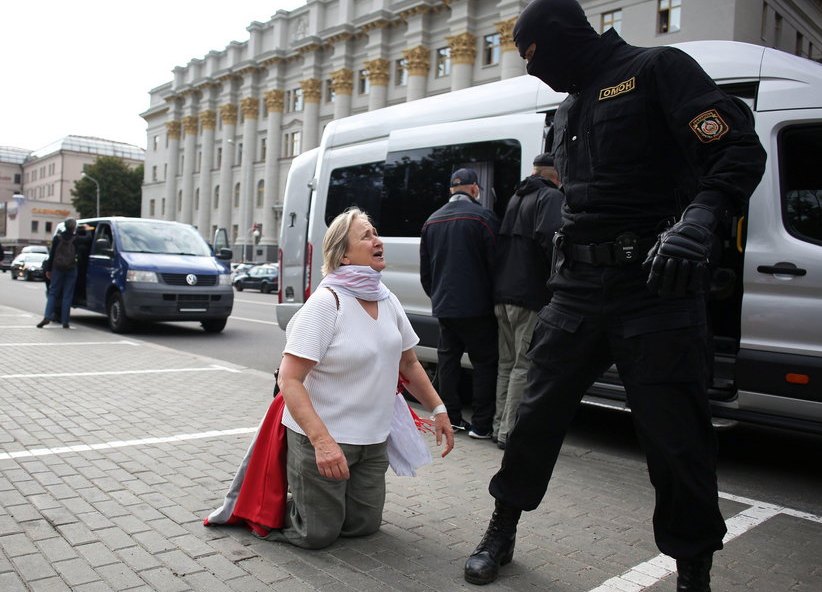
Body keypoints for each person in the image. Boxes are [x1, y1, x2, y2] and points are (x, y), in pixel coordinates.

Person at [463, 0, 766, 592]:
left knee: (678, 444)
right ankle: (502, 528)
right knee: (535, 419)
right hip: (578, 290)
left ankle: (693, 586)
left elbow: (737, 149)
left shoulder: (659, 70)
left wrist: (703, 219)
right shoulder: (568, 108)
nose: (529, 69)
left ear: (565, 37)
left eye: (531, 54)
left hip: (655, 290)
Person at [210, 208, 455, 549]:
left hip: (372, 439)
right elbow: (290, 380)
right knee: (318, 534)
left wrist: (439, 409)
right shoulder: (327, 304)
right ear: (342, 254)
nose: (377, 240)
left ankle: (319, 502)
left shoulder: (388, 300)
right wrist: (322, 443)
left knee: (363, 526)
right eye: (366, 235)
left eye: (375, 232)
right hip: (323, 439)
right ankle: (271, 504)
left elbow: (409, 363)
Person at [420, 168, 500, 439]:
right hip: (478, 307)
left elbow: (426, 273)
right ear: (475, 189)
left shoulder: (431, 221)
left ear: (451, 191)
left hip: (444, 306)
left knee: (448, 362)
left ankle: (451, 418)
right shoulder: (484, 217)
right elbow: (496, 265)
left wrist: (438, 296)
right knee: (485, 363)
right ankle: (481, 424)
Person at [492, 153, 564, 450]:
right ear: (554, 176)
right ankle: (509, 433)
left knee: (506, 364)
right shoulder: (549, 197)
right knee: (523, 364)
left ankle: (499, 425)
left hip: (503, 294)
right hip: (529, 294)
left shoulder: (515, 198)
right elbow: (551, 239)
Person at [36, 218, 90, 329]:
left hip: (57, 268)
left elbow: (52, 255)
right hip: (71, 269)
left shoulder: (57, 238)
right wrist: (88, 229)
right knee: (67, 295)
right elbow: (88, 239)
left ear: (65, 226)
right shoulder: (76, 239)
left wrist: (49, 270)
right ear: (74, 227)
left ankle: (47, 316)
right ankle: (65, 321)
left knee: (53, 293)